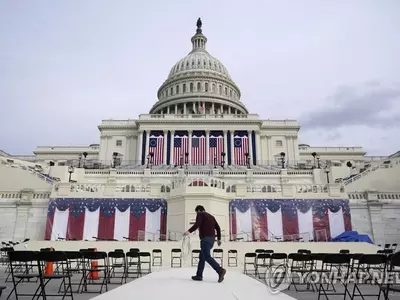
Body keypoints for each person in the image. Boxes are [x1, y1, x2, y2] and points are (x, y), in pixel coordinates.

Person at [183, 205, 226, 282]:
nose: (196, 214)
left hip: (205, 239)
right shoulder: (212, 217)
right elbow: (218, 228)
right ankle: (199, 275)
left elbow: (197, 224)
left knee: (206, 256)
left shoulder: (200, 214)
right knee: (202, 257)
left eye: (196, 213)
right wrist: (219, 239)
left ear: (198, 211)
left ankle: (220, 270)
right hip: (212, 240)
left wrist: (188, 231)